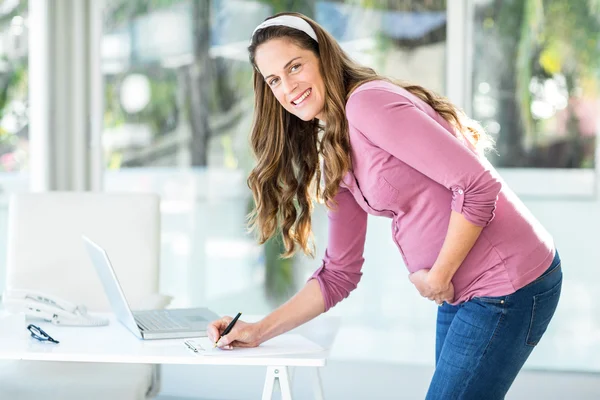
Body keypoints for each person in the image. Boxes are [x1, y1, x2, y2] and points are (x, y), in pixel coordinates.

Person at [207, 12, 562, 399]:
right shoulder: (335, 148)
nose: (289, 87)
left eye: (295, 66)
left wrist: (439, 275)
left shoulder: (367, 105)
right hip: (460, 290)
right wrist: (256, 331)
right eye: (274, 80)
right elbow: (338, 273)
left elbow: (478, 185)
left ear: (322, 56)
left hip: (507, 284)